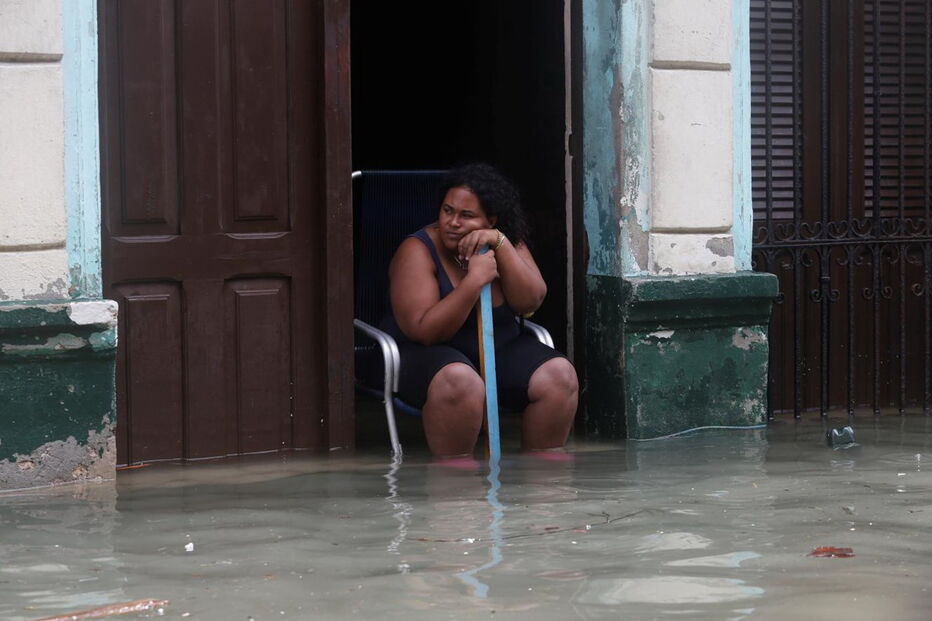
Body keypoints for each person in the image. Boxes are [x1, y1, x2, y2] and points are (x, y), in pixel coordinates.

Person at [381, 163, 578, 459]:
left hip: (498, 345)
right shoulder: (417, 249)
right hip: (429, 353)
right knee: (461, 381)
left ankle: (544, 483)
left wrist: (500, 244)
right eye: (447, 211)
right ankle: (457, 485)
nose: (453, 222)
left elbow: (531, 301)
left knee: (560, 376)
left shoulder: (506, 239)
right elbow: (425, 331)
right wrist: (473, 283)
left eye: (466, 215)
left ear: (492, 220)